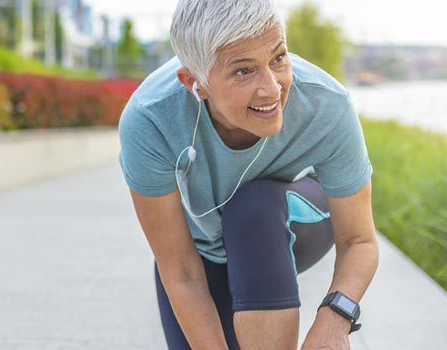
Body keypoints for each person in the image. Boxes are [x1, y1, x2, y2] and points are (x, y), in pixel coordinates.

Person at [116, 0, 380, 349]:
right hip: (201, 258)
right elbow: (179, 269)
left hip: (290, 223)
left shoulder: (326, 104)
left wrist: (335, 318)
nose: (271, 88)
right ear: (195, 82)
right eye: (243, 71)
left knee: (252, 209)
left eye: (278, 58)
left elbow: (359, 241)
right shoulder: (150, 119)